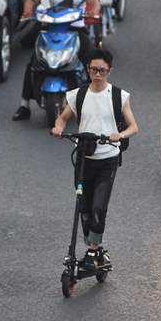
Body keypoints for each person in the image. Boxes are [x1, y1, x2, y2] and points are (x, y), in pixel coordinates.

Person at [51, 49, 138, 270]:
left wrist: (120, 135)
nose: (97, 75)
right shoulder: (78, 95)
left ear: (109, 71)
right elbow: (62, 119)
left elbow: (133, 127)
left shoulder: (119, 96)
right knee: (84, 208)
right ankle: (96, 249)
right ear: (87, 69)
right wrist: (58, 128)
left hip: (108, 159)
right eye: (93, 70)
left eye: (102, 70)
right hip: (83, 159)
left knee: (99, 206)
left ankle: (92, 251)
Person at [12, 0, 100, 121]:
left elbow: (94, 4)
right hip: (51, 28)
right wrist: (28, 10)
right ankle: (24, 105)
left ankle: (97, 103)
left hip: (76, 29)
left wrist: (93, 11)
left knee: (93, 62)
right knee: (33, 63)